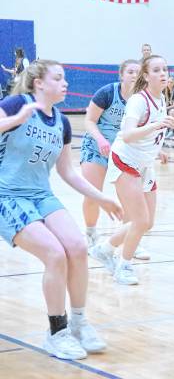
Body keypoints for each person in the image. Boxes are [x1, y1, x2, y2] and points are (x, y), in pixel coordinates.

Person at [0, 60, 123, 360]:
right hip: (8, 195)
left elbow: (67, 172)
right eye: (58, 78)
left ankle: (80, 323)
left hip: (42, 195)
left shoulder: (62, 122)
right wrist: (16, 118)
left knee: (78, 247)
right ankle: (57, 333)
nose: (65, 83)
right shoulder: (17, 103)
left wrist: (101, 197)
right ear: (39, 83)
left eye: (65, 78)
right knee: (54, 254)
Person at [89, 55, 174, 285]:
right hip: (125, 160)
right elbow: (127, 135)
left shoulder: (162, 98)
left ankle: (104, 248)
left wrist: (158, 149)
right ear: (146, 76)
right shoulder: (138, 100)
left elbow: (149, 134)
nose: (163, 73)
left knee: (148, 222)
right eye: (156, 70)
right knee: (139, 220)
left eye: (165, 69)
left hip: (145, 163)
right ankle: (123, 266)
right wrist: (158, 124)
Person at [80, 59, 140, 249]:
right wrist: (101, 139)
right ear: (121, 75)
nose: (134, 75)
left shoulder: (142, 99)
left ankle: (129, 239)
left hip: (123, 151)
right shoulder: (106, 93)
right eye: (130, 71)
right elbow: (89, 121)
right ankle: (90, 234)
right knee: (93, 194)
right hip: (96, 146)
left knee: (130, 198)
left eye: (138, 72)